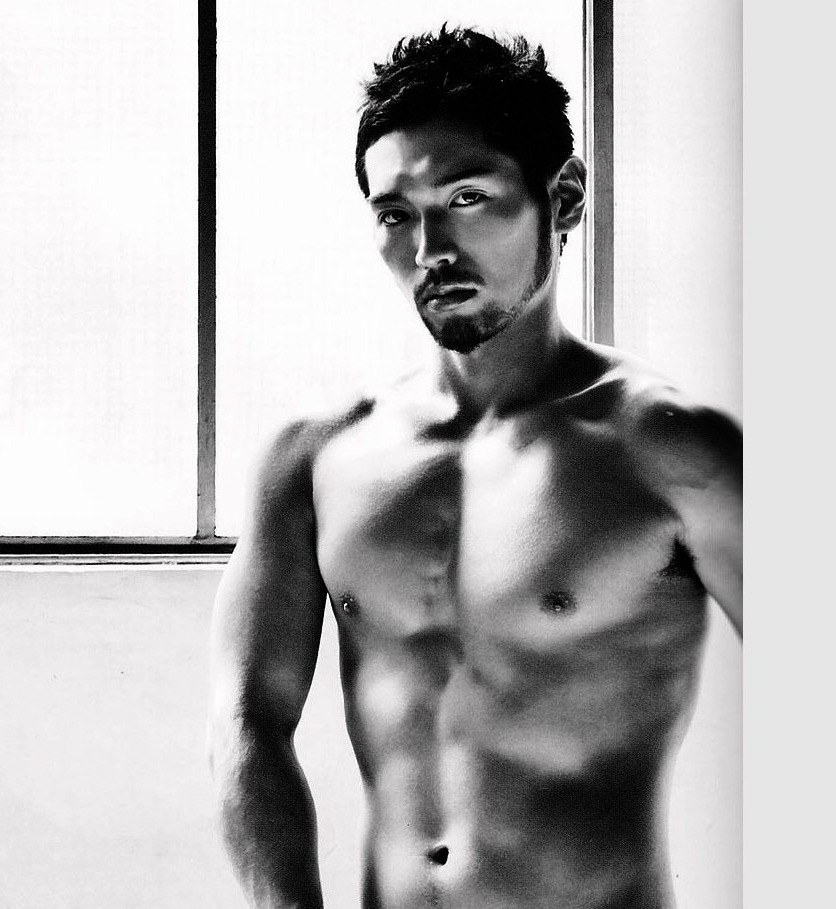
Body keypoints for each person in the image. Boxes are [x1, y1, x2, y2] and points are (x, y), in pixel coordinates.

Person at [208, 25, 741, 909]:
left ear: (562, 198)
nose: (430, 248)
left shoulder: (670, 450)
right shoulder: (316, 461)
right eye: (395, 213)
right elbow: (247, 719)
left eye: (466, 197)